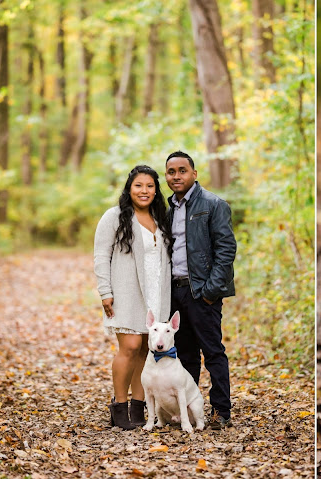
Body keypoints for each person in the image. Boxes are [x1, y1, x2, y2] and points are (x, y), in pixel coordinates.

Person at [94, 165, 173, 430]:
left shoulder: (161, 217)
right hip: (127, 289)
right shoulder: (114, 216)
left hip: (156, 291)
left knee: (145, 349)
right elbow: (101, 255)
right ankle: (119, 407)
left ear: (156, 190)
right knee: (128, 346)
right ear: (130, 188)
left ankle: (139, 407)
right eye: (139, 185)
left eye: (150, 186)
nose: (144, 191)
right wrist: (105, 292)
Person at [165, 151, 237, 429]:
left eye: (182, 170)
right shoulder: (168, 209)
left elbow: (226, 249)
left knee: (213, 352)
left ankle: (221, 410)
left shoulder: (213, 204)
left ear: (194, 174)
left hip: (202, 292)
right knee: (184, 355)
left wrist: (210, 291)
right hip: (175, 292)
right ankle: (189, 410)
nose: (176, 176)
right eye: (171, 172)